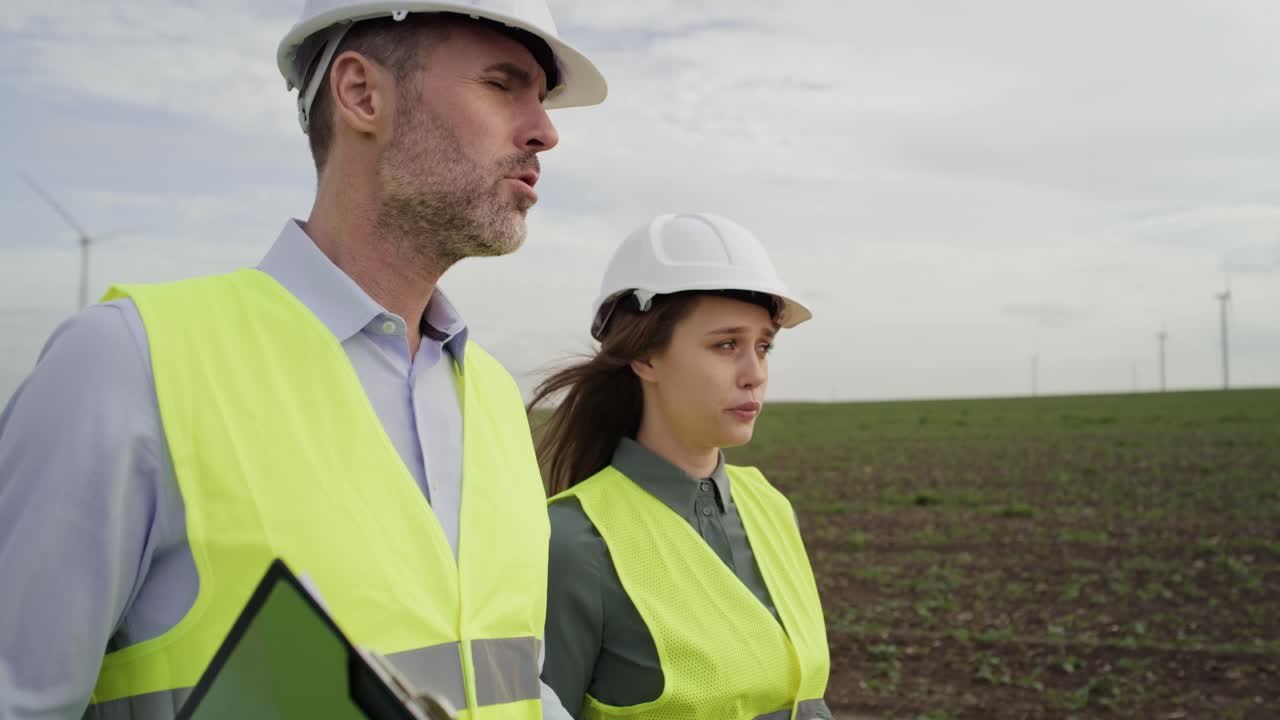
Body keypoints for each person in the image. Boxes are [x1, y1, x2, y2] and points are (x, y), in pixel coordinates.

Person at [0, 1, 606, 718]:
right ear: (361, 94)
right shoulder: (127, 363)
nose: (545, 131)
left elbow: (509, 680)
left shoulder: (499, 403)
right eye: (505, 86)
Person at [533, 213, 833, 719]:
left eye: (763, 346)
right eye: (726, 345)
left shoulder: (769, 507)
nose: (754, 374)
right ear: (646, 357)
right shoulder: (573, 544)